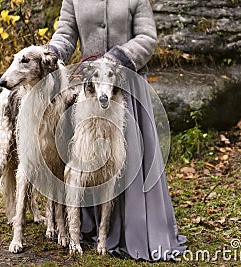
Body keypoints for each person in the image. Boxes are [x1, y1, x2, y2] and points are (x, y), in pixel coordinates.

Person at [48, 0, 187, 261]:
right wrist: (51, 52)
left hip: (128, 92)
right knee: (86, 161)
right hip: (89, 96)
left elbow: (147, 38)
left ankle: (135, 229)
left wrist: (117, 57)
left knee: (131, 160)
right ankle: (90, 226)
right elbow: (65, 33)